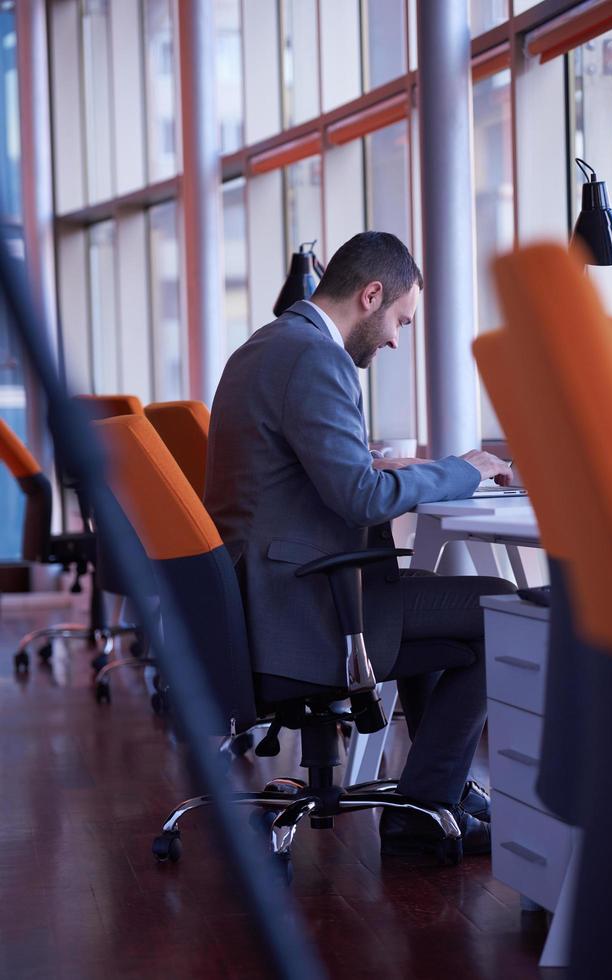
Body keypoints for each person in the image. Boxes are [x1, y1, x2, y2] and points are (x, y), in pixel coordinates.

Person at [205, 231, 515, 863]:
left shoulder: (266, 346)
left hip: (255, 593)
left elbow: (299, 470)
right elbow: (361, 501)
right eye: (400, 319)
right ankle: (429, 810)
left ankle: (438, 798)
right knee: (501, 605)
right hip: (298, 605)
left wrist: (378, 463)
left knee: (443, 627)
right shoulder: (317, 358)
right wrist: (464, 469)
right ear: (371, 295)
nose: (398, 338)